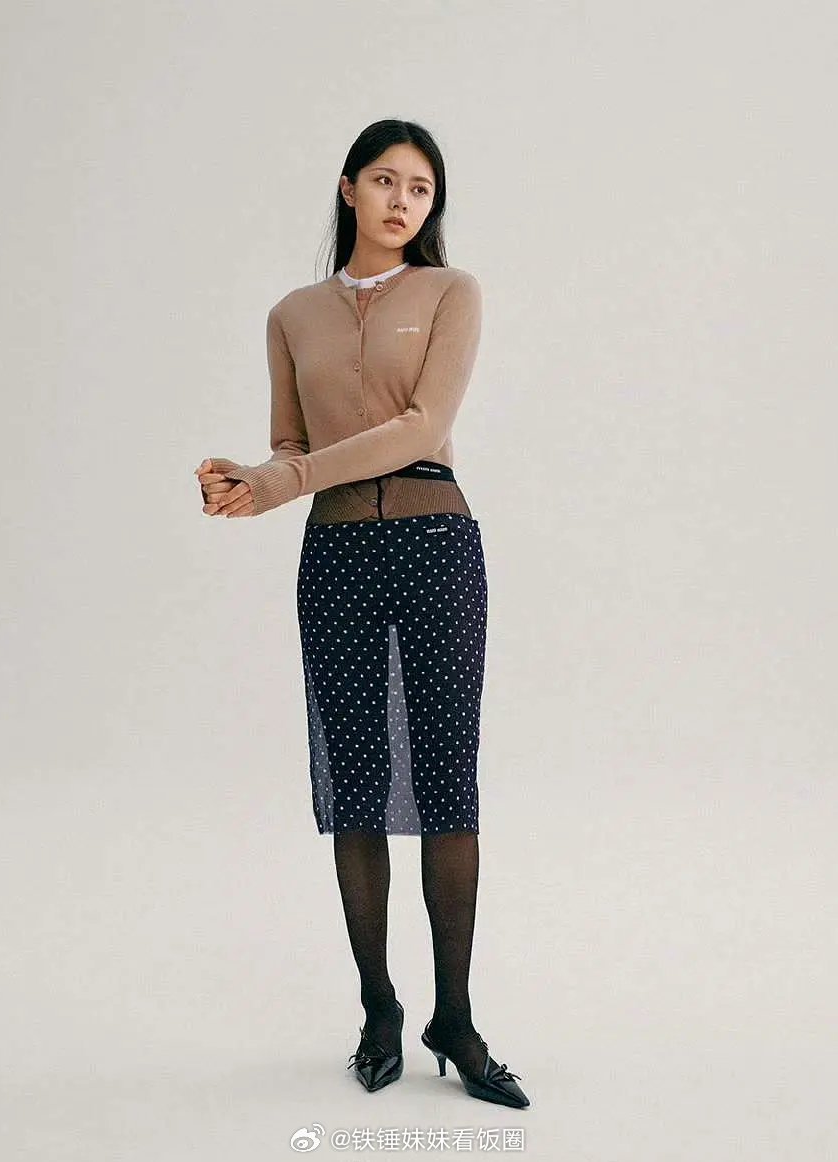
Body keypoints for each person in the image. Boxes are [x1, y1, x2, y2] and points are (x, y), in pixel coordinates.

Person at [194, 119, 529, 1110]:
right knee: (355, 782)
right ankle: (380, 1010)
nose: (401, 201)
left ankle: (455, 1017)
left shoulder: (451, 293)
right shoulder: (292, 314)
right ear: (349, 188)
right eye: (385, 181)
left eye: (420, 189)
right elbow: (291, 446)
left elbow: (422, 426)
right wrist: (244, 482)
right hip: (336, 554)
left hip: (435, 546)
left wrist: (280, 479)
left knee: (448, 781)